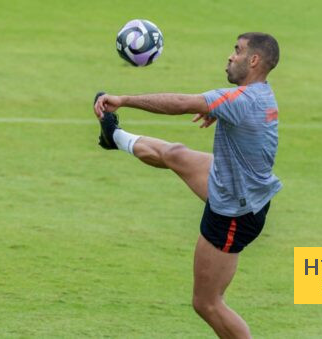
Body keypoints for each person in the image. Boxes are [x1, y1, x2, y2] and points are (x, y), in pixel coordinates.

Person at [93, 32, 281, 339]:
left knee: (207, 303)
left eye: (238, 51)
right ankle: (113, 138)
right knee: (175, 154)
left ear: (254, 60)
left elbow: (180, 103)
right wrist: (219, 113)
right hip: (233, 182)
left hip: (234, 213)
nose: (231, 56)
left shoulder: (241, 101)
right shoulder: (260, 95)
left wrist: (124, 100)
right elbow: (245, 119)